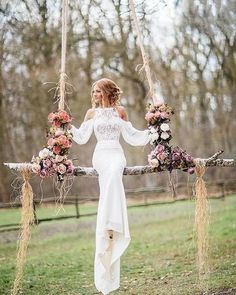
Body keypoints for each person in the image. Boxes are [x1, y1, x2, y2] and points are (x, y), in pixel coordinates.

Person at [71, 78, 149, 294]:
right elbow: (81, 137)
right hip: (101, 155)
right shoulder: (91, 113)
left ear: (106, 92)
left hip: (117, 153)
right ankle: (109, 226)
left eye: (97, 91)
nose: (94, 94)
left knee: (115, 172)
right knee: (111, 175)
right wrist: (65, 125)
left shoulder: (120, 111)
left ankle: (111, 225)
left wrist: (154, 129)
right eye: (93, 91)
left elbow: (132, 136)